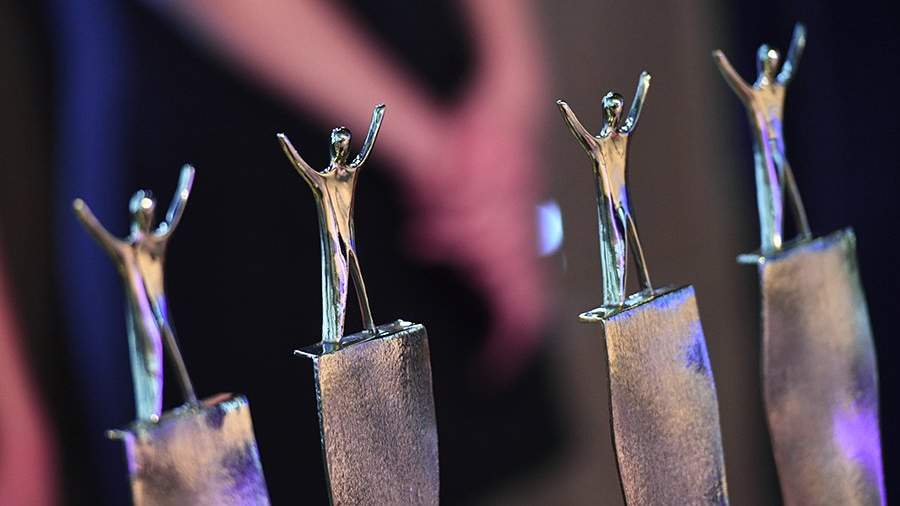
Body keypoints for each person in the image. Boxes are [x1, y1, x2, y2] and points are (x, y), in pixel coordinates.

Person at [73, 166, 197, 421]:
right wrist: (84, 214)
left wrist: (186, 181)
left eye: (149, 213)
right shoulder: (127, 250)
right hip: (142, 310)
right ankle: (151, 411)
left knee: (170, 344)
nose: (147, 218)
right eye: (144, 213)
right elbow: (101, 235)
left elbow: (177, 209)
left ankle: (189, 397)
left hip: (159, 304)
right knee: (150, 352)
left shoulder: (157, 242)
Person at [278, 105, 384, 342]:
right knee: (338, 283)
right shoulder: (323, 179)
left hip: (349, 237)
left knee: (358, 280)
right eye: (339, 145)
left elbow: (367, 147)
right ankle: (335, 335)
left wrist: (377, 118)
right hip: (334, 240)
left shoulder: (351, 171)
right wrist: (286, 144)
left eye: (345, 145)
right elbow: (301, 165)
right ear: (333, 147)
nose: (342, 150)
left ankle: (369, 326)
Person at [557, 72, 653, 312]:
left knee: (634, 244)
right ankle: (617, 297)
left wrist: (643, 85)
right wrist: (566, 111)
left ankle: (645, 287)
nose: (616, 115)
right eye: (612, 110)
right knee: (616, 249)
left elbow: (636, 111)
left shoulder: (624, 136)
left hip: (623, 201)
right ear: (606, 112)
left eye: (617, 110)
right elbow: (581, 133)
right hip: (610, 204)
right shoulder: (599, 145)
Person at [713, 23, 811, 252]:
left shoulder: (778, 89)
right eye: (770, 61)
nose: (773, 65)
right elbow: (737, 83)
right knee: (772, 193)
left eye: (775, 61)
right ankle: (774, 240)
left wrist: (798, 42)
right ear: (763, 63)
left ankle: (804, 230)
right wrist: (722, 63)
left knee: (790, 186)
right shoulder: (755, 94)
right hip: (765, 150)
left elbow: (791, 66)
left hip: (779, 145)